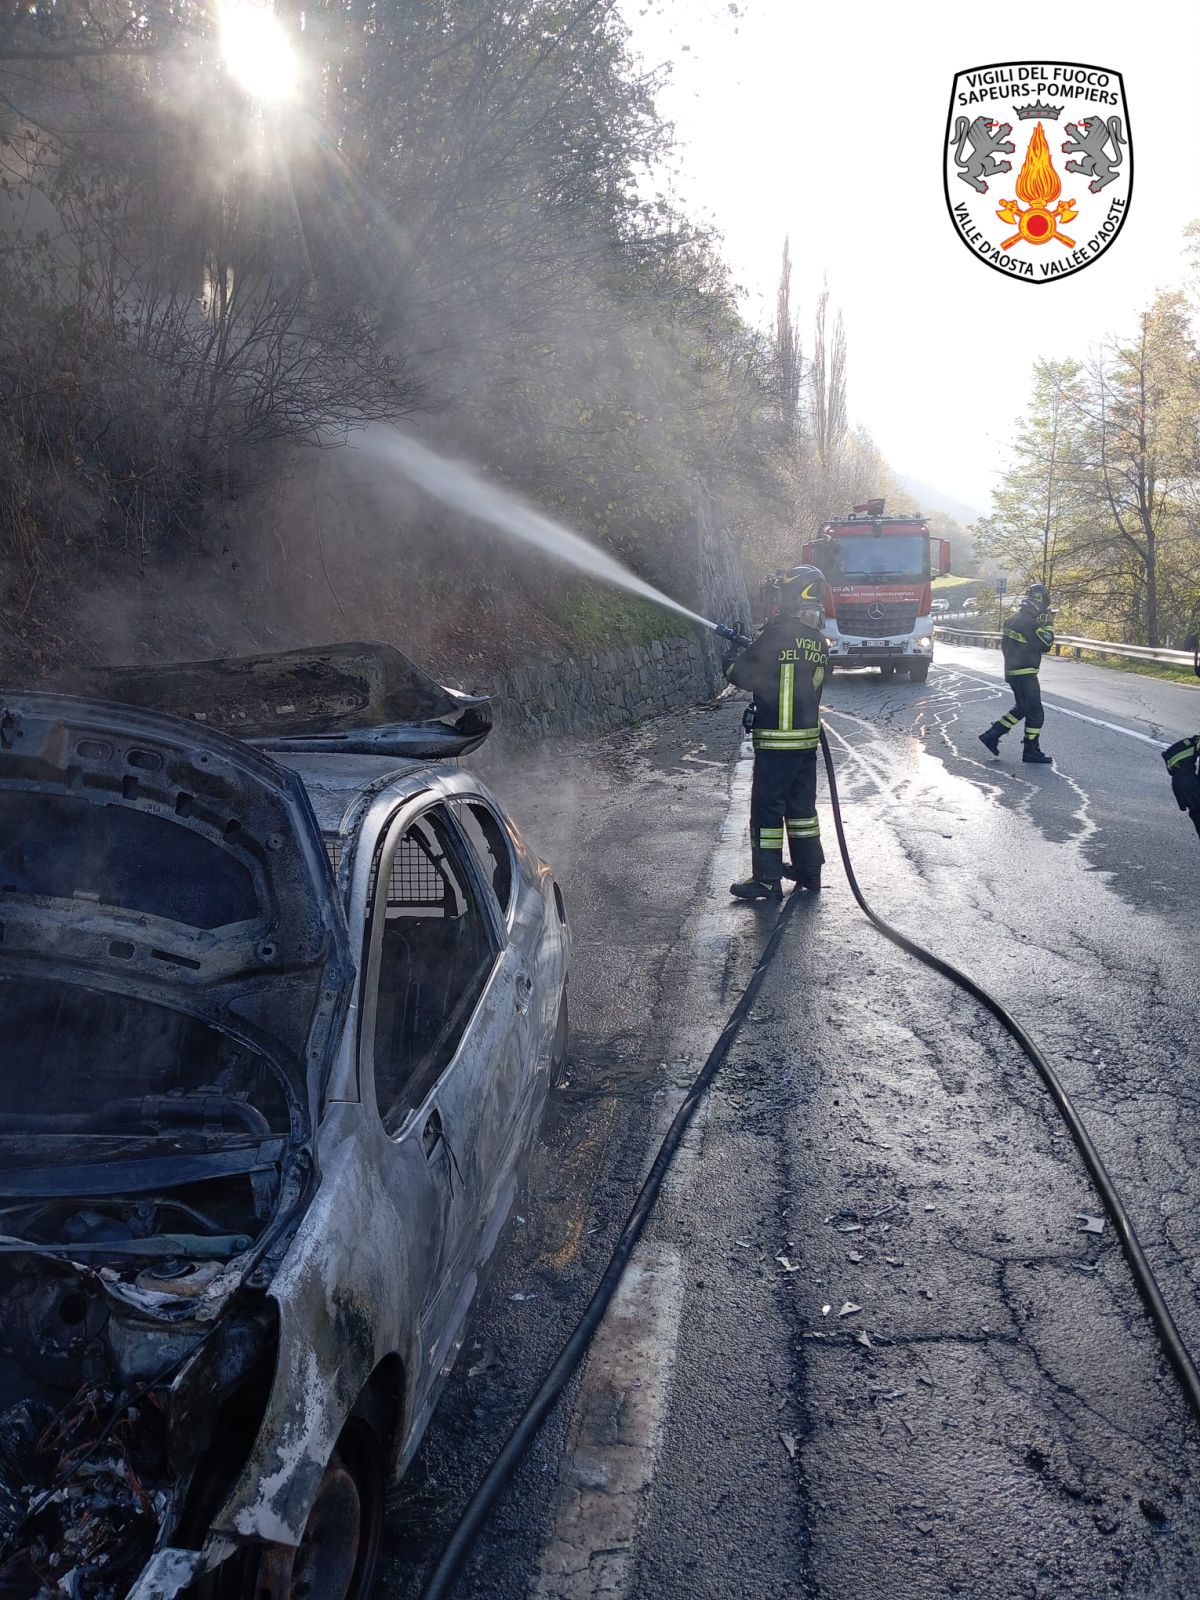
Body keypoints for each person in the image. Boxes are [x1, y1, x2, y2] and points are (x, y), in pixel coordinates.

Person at [724, 565, 829, 900]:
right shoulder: (819, 641)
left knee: (767, 809)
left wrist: (730, 656)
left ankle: (767, 880)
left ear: (792, 594)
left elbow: (742, 675)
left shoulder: (777, 635)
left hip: (776, 741)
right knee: (801, 809)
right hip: (806, 742)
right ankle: (809, 871)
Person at [979, 581, 1055, 764]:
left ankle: (993, 734)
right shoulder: (1028, 623)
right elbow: (1046, 644)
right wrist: (1049, 624)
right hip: (1025, 673)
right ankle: (1030, 750)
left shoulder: (1013, 619)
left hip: (1013, 672)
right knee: (1036, 713)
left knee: (1023, 708)